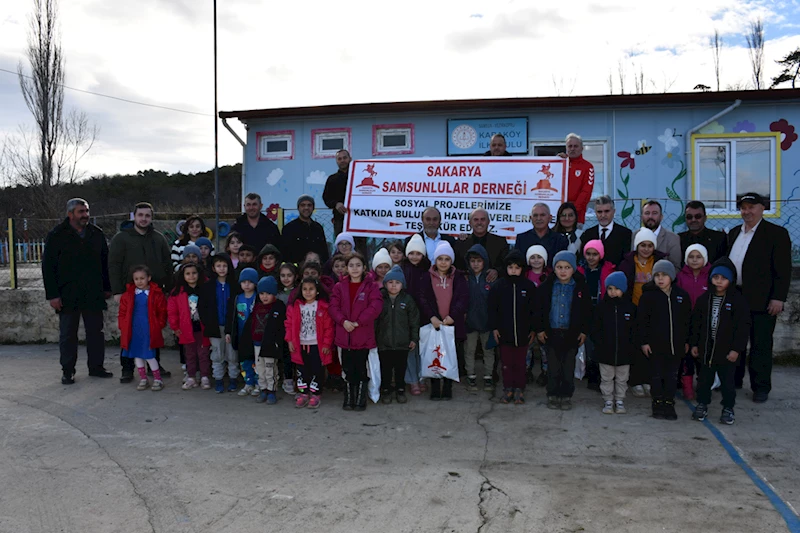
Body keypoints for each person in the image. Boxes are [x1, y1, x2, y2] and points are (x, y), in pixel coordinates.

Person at [727, 192, 791, 403]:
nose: (747, 211)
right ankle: (734, 380)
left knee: (760, 344)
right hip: (736, 296)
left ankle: (760, 387)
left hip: (763, 300)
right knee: (734, 341)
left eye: (751, 207)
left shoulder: (776, 234)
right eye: (743, 208)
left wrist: (778, 298)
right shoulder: (735, 232)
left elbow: (783, 270)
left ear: (762, 208)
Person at [42, 198, 113, 384]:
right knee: (68, 335)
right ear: (70, 214)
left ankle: (96, 367)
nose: (86, 215)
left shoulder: (96, 234)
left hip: (93, 292)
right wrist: (53, 295)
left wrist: (107, 287)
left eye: (87, 211)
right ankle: (68, 371)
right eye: (81, 212)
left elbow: (105, 263)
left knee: (96, 333)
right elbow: (48, 267)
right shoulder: (57, 235)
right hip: (67, 294)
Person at [108, 201, 173, 383]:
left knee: (153, 329)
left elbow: (167, 265)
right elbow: (113, 266)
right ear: (133, 216)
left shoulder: (158, 238)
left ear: (151, 217)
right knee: (129, 330)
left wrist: (167, 289)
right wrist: (117, 291)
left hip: (154, 294)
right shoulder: (121, 239)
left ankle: (154, 365)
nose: (144, 219)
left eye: (147, 216)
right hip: (130, 294)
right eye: (140, 215)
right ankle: (127, 368)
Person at [690, 259, 751, 425]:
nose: (718, 281)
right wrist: (695, 343)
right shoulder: (705, 299)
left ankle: (728, 408)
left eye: (723, 278)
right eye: (715, 276)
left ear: (730, 280)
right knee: (703, 380)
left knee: (728, 383)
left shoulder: (738, 301)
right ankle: (702, 404)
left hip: (727, 351)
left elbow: (743, 328)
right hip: (706, 349)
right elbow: (696, 323)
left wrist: (736, 349)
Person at [536, 250, 591, 410]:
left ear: (573, 269)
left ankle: (566, 395)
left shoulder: (581, 288)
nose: (563, 271)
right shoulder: (547, 286)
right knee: (553, 367)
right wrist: (540, 329)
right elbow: (538, 309)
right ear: (554, 268)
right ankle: (552, 394)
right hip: (552, 333)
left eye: (567, 267)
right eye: (559, 267)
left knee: (568, 368)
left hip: (571, 334)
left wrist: (584, 331)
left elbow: (587, 311)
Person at [637, 260, 692, 420]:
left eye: (664, 275)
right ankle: (657, 403)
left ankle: (669, 402)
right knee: (656, 375)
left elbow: (688, 320)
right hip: (655, 345)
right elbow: (642, 321)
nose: (660, 279)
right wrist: (644, 341)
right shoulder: (648, 297)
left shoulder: (681, 296)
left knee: (672, 375)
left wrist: (687, 340)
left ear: (672, 277)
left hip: (676, 345)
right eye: (657, 275)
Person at [329, 252, 383, 411]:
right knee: (347, 368)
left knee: (360, 368)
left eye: (358, 265)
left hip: (362, 335)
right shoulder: (339, 286)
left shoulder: (371, 286)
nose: (354, 268)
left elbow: (375, 307)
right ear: (346, 268)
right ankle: (348, 397)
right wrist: (343, 321)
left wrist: (358, 322)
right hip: (344, 335)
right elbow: (333, 307)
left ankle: (360, 398)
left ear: (364, 267)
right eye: (351, 265)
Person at [420, 241, 469, 400]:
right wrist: (432, 317)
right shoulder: (427, 277)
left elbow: (463, 298)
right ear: (435, 260)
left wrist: (453, 316)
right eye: (440, 258)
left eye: (447, 259)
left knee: (450, 355)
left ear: (451, 261)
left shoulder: (459, 277)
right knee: (434, 355)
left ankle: (447, 386)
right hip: (434, 323)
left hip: (451, 324)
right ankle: (435, 387)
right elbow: (422, 299)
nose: (443, 262)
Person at [489, 250, 537, 405]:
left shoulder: (528, 286)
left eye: (517, 267)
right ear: (506, 268)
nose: (514, 270)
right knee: (507, 363)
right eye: (511, 267)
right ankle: (508, 388)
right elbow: (493, 309)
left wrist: (533, 329)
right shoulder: (499, 286)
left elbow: (534, 310)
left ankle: (519, 389)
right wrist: (495, 328)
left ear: (522, 268)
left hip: (523, 334)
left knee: (521, 363)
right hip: (505, 334)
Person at [286, 277, 334, 409]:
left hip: (316, 345)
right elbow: (289, 325)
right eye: (305, 289)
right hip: (300, 344)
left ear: (317, 291)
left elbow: (329, 328)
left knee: (317, 369)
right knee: (302, 370)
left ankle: (316, 393)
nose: (308, 292)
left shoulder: (323, 307)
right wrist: (289, 340)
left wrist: (326, 344)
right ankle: (303, 393)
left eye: (311, 289)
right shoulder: (295, 307)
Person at [118, 265, 168, 391]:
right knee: (137, 355)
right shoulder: (128, 295)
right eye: (136, 279)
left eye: (142, 278)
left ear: (149, 278)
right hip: (133, 330)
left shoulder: (156, 294)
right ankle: (143, 378)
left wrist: (159, 324)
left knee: (150, 355)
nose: (139, 281)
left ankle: (157, 379)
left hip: (149, 329)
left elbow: (162, 311)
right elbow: (122, 313)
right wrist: (123, 326)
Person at [592, 271, 635, 415]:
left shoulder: (630, 308)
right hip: (605, 352)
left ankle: (620, 400)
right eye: (610, 289)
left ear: (623, 289)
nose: (613, 292)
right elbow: (595, 329)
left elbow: (635, 330)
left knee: (622, 379)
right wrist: (599, 345)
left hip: (625, 352)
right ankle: (608, 400)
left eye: (617, 289)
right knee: (606, 378)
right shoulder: (601, 308)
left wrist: (631, 346)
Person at [376, 265, 420, 404]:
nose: (394, 286)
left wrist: (414, 338)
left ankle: (400, 389)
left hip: (402, 342)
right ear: (385, 283)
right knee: (386, 369)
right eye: (390, 282)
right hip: (384, 342)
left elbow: (414, 321)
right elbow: (374, 321)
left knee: (400, 368)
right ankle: (386, 390)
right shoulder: (380, 299)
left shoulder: (407, 300)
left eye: (397, 283)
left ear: (402, 285)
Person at [577, 239, 616, 391]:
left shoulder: (608, 269)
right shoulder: (580, 270)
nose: (591, 257)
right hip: (585, 309)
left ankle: (601, 375)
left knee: (600, 341)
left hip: (602, 308)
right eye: (588, 254)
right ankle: (590, 373)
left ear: (601, 255)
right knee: (588, 343)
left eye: (595, 254)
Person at [199, 254, 239, 394]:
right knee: (217, 355)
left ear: (229, 267)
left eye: (224, 265)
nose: (221, 269)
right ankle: (219, 379)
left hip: (231, 327)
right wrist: (208, 323)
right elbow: (202, 307)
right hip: (214, 327)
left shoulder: (234, 285)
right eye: (218, 266)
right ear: (213, 268)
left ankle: (233, 379)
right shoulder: (207, 287)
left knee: (232, 354)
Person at [168, 263, 212, 391]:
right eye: (188, 274)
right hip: (186, 329)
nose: (191, 276)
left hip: (203, 328)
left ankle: (204, 376)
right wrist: (175, 327)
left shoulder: (205, 288)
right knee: (190, 354)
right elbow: (172, 311)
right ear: (183, 276)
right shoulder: (177, 292)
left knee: (203, 354)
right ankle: (191, 377)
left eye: (194, 273)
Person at [675, 244, 711, 400]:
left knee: (703, 355)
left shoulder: (711, 276)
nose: (695, 260)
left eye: (698, 257)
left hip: (704, 322)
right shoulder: (681, 277)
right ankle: (687, 386)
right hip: (686, 322)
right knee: (686, 356)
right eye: (691, 257)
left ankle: (704, 385)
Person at [401, 234, 434, 395]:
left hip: (424, 315)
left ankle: (422, 377)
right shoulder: (402, 269)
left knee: (423, 349)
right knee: (410, 349)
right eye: (411, 253)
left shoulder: (428, 270)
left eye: (418, 253)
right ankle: (412, 379)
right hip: (406, 315)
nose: (415, 257)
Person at [245, 276, 287, 405]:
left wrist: (277, 343)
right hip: (257, 343)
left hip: (270, 344)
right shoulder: (257, 307)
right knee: (260, 369)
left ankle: (271, 390)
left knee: (270, 369)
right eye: (262, 293)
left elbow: (280, 327)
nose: (265, 297)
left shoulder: (278, 307)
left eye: (268, 293)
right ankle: (263, 389)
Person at [464, 244, 496, 392]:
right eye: (472, 261)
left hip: (487, 322)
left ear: (485, 262)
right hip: (469, 322)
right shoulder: (465, 279)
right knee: (469, 351)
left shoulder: (491, 279)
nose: (475, 264)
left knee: (488, 351)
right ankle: (470, 376)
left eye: (479, 261)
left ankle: (488, 377)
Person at [226, 267, 260, 397]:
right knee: (245, 361)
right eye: (244, 281)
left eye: (250, 282)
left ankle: (258, 383)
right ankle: (248, 383)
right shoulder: (236, 298)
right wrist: (229, 332)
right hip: (240, 336)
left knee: (256, 361)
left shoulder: (259, 298)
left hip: (255, 335)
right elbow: (231, 316)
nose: (247, 284)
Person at [453, 208, 509, 277]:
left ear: (488, 222)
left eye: (483, 219)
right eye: (476, 220)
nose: (479, 223)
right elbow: (455, 267)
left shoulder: (500, 242)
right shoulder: (461, 243)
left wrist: (497, 272)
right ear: (470, 223)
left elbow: (507, 265)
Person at [579, 196, 632, 268]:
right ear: (595, 213)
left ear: (614, 212)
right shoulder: (587, 234)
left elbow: (627, 261)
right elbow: (583, 259)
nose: (603, 215)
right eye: (599, 212)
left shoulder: (625, 234)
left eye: (607, 211)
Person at [525, 244, 550, 386]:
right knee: (527, 346)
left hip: (543, 317)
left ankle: (545, 371)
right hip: (528, 316)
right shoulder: (525, 275)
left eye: (539, 257)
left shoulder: (549, 276)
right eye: (532, 257)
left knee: (544, 347)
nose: (536, 260)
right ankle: (526, 370)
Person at [556, 133, 595, 225]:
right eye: (570, 146)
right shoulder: (559, 164)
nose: (572, 149)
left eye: (576, 146)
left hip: (577, 217)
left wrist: (571, 211)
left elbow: (586, 192)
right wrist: (555, 161)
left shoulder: (588, 167)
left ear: (582, 148)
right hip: (556, 215)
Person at [514, 203, 568, 267]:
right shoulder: (521, 239)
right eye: (535, 215)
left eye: (542, 215)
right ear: (531, 218)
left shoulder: (560, 239)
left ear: (550, 218)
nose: (539, 218)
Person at [631, 200, 681, 269]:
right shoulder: (634, 235)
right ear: (641, 217)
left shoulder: (672, 238)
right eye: (647, 213)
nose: (650, 216)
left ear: (661, 217)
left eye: (654, 213)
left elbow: (676, 267)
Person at [282, 194, 330, 265]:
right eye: (303, 205)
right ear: (298, 208)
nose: (306, 208)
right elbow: (285, 254)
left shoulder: (318, 228)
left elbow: (324, 252)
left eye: (309, 205)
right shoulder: (289, 228)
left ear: (313, 208)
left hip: (317, 270)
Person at [678, 201, 727, 265]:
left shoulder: (719, 239)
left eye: (698, 216)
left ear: (705, 218)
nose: (693, 220)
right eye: (689, 217)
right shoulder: (678, 239)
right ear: (685, 219)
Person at [276, 262, 299, 394]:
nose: (286, 278)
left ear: (295, 276)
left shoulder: (299, 292)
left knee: (297, 355)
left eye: (289, 275)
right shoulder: (278, 294)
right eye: (283, 275)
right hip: (282, 330)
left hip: (296, 329)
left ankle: (298, 379)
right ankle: (288, 378)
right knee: (286, 356)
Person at [323, 149, 353, 238]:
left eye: (345, 158)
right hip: (340, 220)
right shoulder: (332, 179)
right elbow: (326, 198)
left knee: (359, 249)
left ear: (350, 159)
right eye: (339, 159)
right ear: (336, 161)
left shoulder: (358, 176)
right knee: (341, 246)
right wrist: (336, 204)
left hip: (358, 220)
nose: (342, 160)